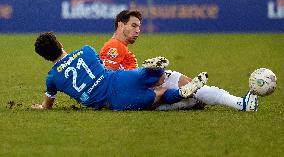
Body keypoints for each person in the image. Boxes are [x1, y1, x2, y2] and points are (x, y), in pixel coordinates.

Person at [99, 10, 259, 111]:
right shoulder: (114, 46)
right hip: (139, 91)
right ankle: (238, 103)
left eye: (139, 27)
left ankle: (189, 99)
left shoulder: (121, 47)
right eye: (133, 26)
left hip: (143, 86)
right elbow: (108, 80)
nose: (138, 31)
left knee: (190, 89)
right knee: (192, 92)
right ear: (120, 25)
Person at [31, 32, 208, 111]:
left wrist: (41, 107)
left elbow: (47, 105)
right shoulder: (86, 50)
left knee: (158, 95)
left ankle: (180, 93)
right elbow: (104, 66)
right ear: (60, 44)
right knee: (154, 76)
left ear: (45, 58)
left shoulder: (52, 78)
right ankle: (154, 68)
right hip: (119, 78)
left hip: (112, 100)